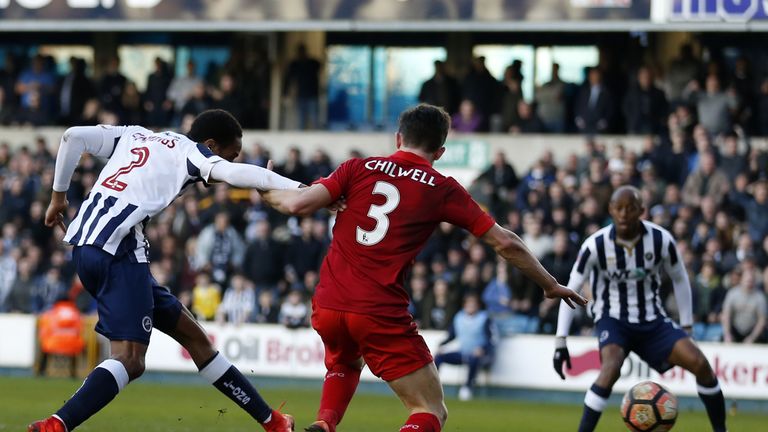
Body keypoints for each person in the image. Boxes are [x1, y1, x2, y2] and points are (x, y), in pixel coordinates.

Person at [261, 104, 586, 432]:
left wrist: (264, 185)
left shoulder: (356, 168)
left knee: (346, 360)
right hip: (377, 309)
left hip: (328, 304)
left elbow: (294, 203)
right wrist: (549, 284)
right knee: (429, 409)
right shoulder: (440, 187)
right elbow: (505, 243)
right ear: (441, 151)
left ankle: (325, 424)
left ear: (398, 137)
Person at [31, 109, 299, 432]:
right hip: (119, 248)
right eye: (233, 154)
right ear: (212, 145)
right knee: (130, 359)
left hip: (85, 247)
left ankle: (273, 422)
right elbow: (247, 176)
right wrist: (306, 190)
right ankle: (57, 425)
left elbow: (72, 136)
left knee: (196, 338)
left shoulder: (134, 134)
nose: (232, 161)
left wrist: (58, 198)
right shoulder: (193, 154)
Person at [553, 186, 727, 432]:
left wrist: (687, 325)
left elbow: (680, 278)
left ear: (641, 211)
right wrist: (561, 340)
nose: (624, 214)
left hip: (652, 320)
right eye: (619, 208)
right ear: (610, 210)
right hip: (612, 319)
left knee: (700, 364)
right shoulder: (595, 245)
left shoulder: (661, 240)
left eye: (630, 208)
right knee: (610, 367)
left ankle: (722, 430)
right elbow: (570, 289)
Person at [434, 294, 495, 401]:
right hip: (463, 352)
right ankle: (434, 387)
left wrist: (482, 349)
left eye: (473, 304)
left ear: (478, 306)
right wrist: (441, 345)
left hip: (479, 354)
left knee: (473, 359)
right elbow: (452, 335)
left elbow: (491, 339)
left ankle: (467, 388)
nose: (470, 306)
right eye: (468, 303)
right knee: (439, 357)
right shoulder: (459, 317)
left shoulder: (484, 318)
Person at [721, 265, 767, 344]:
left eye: (751, 280)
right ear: (741, 280)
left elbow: (762, 320)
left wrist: (752, 338)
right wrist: (727, 334)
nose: (749, 282)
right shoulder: (732, 294)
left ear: (754, 281)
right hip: (735, 330)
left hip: (753, 331)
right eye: (747, 280)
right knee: (722, 339)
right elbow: (726, 315)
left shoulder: (760, 297)